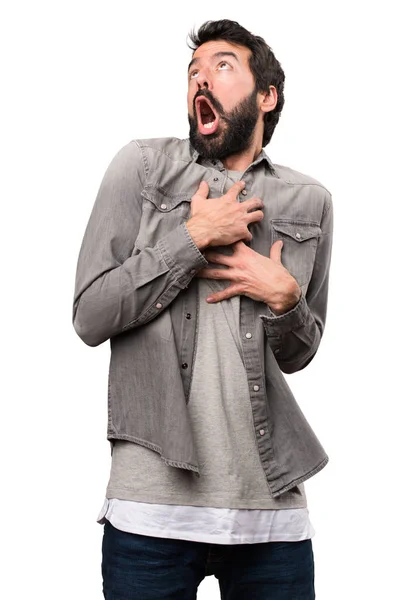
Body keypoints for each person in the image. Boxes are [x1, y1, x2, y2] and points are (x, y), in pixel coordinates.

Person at [72, 18, 333, 600]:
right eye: (193, 71)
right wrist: (190, 238)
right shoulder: (142, 169)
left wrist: (287, 301)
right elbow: (90, 314)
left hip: (272, 516)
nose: (200, 80)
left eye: (222, 66)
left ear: (267, 96)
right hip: (151, 513)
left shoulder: (309, 201)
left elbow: (301, 351)